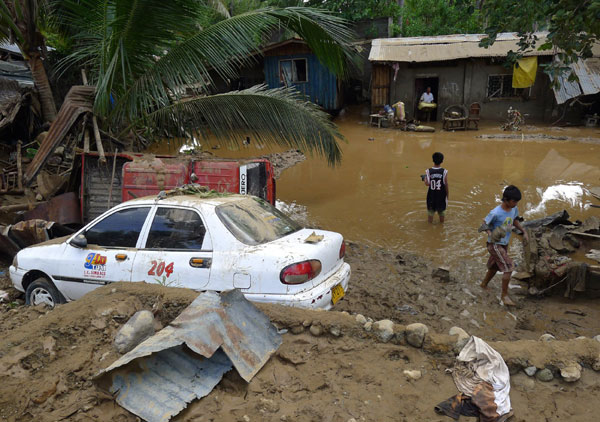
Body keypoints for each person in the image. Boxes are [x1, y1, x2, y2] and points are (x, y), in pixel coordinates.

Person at [479, 185, 529, 306]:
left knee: (494, 267)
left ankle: (484, 284)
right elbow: (484, 224)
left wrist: (524, 231)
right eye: (514, 201)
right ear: (506, 199)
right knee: (509, 267)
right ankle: (504, 296)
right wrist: (490, 233)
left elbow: (514, 220)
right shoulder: (495, 213)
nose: (516, 204)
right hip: (495, 244)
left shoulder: (513, 209)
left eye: (517, 201)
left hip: (504, 244)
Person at [423, 152, 448, 223]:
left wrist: (425, 179)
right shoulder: (444, 172)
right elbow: (446, 184)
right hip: (441, 197)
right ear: (442, 161)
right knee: (442, 216)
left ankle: (429, 228)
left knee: (430, 216)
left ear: (433, 160)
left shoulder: (428, 171)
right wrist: (447, 195)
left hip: (431, 197)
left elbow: (427, 184)